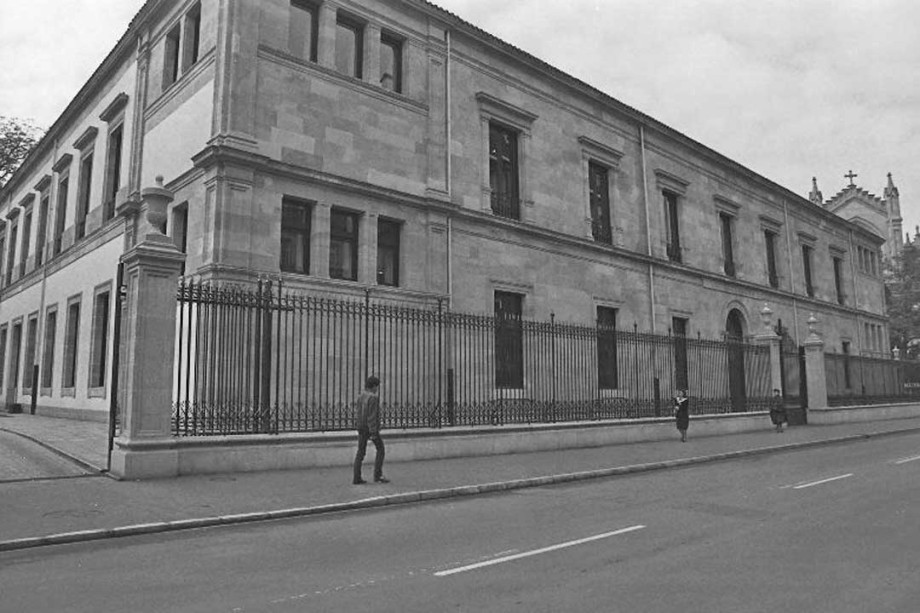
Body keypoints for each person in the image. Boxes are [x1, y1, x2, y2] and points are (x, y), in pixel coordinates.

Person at [353, 375, 389, 484]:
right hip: (370, 428)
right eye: (376, 387)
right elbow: (372, 416)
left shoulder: (360, 396)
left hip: (361, 428)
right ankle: (378, 476)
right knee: (381, 449)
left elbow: (359, 413)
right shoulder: (373, 398)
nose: (377, 389)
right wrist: (374, 431)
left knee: (360, 452)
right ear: (373, 386)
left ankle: (356, 477)